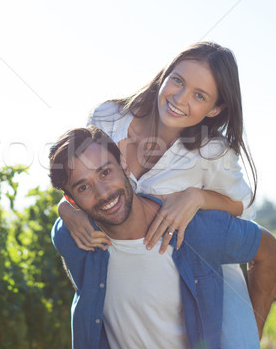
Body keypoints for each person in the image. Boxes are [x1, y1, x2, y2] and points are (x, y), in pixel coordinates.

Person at [58, 42, 260, 346]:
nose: (179, 98)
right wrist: (67, 211)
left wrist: (198, 197)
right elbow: (77, 179)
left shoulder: (212, 152)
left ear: (215, 109)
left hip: (199, 285)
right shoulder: (108, 117)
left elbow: (243, 207)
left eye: (199, 95)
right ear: (165, 75)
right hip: (125, 286)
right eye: (178, 80)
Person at [49, 126, 276, 349]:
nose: (103, 192)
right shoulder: (74, 239)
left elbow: (267, 248)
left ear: (123, 164)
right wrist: (65, 214)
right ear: (71, 201)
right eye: (84, 188)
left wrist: (252, 333)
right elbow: (60, 231)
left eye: (105, 172)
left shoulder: (193, 229)